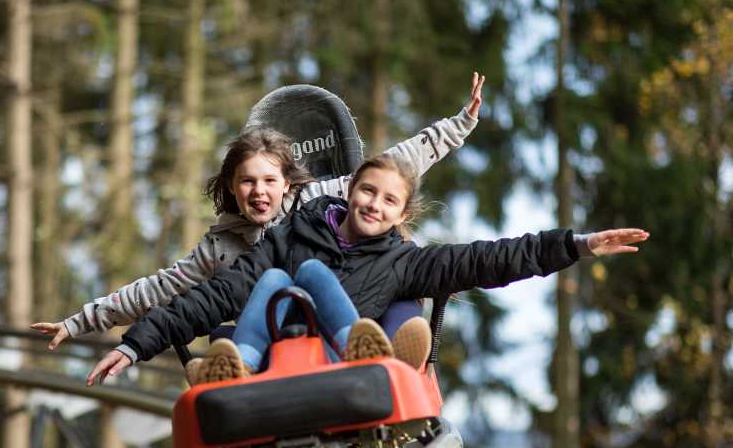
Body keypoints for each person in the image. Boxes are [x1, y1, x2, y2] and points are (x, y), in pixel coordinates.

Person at [85, 150, 649, 386]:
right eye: (367, 191)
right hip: (278, 359)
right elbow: (218, 293)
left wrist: (576, 245)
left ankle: (369, 343)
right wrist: (137, 344)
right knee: (278, 277)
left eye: (388, 200)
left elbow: (490, 259)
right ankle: (235, 366)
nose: (373, 205)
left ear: (403, 213)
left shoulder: (406, 264)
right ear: (349, 191)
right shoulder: (291, 234)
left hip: (341, 358)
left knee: (300, 276)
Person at [32, 74, 487, 362]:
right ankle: (228, 375)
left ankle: (395, 355)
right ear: (232, 187)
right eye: (247, 182)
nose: (259, 192)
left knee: (391, 294)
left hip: (340, 311)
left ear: (287, 184)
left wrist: (459, 125)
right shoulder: (220, 248)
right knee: (221, 328)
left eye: (269, 181)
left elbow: (394, 167)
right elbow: (156, 289)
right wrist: (80, 322)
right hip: (278, 332)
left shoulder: (319, 201)